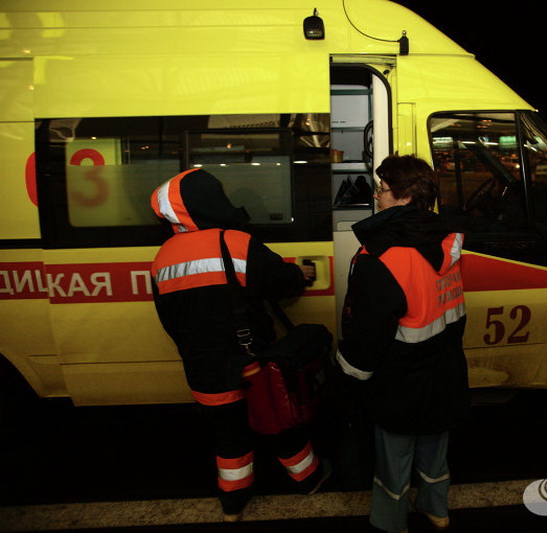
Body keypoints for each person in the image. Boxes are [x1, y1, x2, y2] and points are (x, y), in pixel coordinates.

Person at [149, 168, 328, 522]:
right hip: (250, 361)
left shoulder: (163, 257)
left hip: (203, 367)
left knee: (228, 437)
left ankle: (233, 502)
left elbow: (170, 319)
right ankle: (308, 479)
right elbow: (278, 281)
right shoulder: (234, 241)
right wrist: (299, 274)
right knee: (278, 423)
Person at [336, 155, 470, 533]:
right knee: (435, 452)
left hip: (400, 382)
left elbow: (365, 337)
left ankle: (390, 522)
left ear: (404, 198)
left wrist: (350, 380)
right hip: (446, 371)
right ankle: (437, 510)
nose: (376, 196)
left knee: (394, 462)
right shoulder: (448, 242)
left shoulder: (380, 257)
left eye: (381, 190)